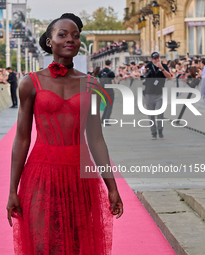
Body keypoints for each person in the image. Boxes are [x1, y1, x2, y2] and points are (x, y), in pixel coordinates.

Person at [6, 13, 123, 255]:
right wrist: (12, 190)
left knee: (75, 245)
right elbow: (22, 138)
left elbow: (96, 139)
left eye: (76, 36)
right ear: (50, 42)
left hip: (80, 177)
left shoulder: (91, 84)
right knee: (42, 245)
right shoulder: (31, 82)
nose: (71, 39)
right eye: (63, 34)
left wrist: (111, 186)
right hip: (40, 174)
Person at [143, 51, 171, 139]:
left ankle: (160, 130)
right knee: (151, 115)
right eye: (155, 58)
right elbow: (143, 76)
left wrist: (162, 68)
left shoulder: (164, 66)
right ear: (152, 59)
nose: (156, 59)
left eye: (158, 58)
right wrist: (145, 72)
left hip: (160, 93)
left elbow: (169, 76)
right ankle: (153, 132)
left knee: (160, 113)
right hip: (149, 93)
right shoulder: (148, 66)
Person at [99, 59, 116, 125]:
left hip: (103, 90)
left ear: (104, 64)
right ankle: (105, 121)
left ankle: (103, 119)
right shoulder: (111, 72)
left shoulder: (101, 72)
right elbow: (115, 82)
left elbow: (99, 81)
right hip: (109, 90)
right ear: (110, 65)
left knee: (105, 105)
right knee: (109, 106)